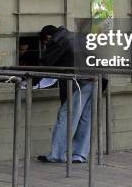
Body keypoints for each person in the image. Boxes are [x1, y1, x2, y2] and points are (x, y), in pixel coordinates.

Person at [36, 25, 93, 164]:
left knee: (66, 116)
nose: (46, 46)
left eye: (45, 44)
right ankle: (79, 154)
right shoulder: (77, 36)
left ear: (48, 37)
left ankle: (57, 154)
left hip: (78, 80)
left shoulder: (59, 40)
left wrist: (31, 81)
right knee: (85, 118)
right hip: (97, 78)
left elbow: (46, 63)